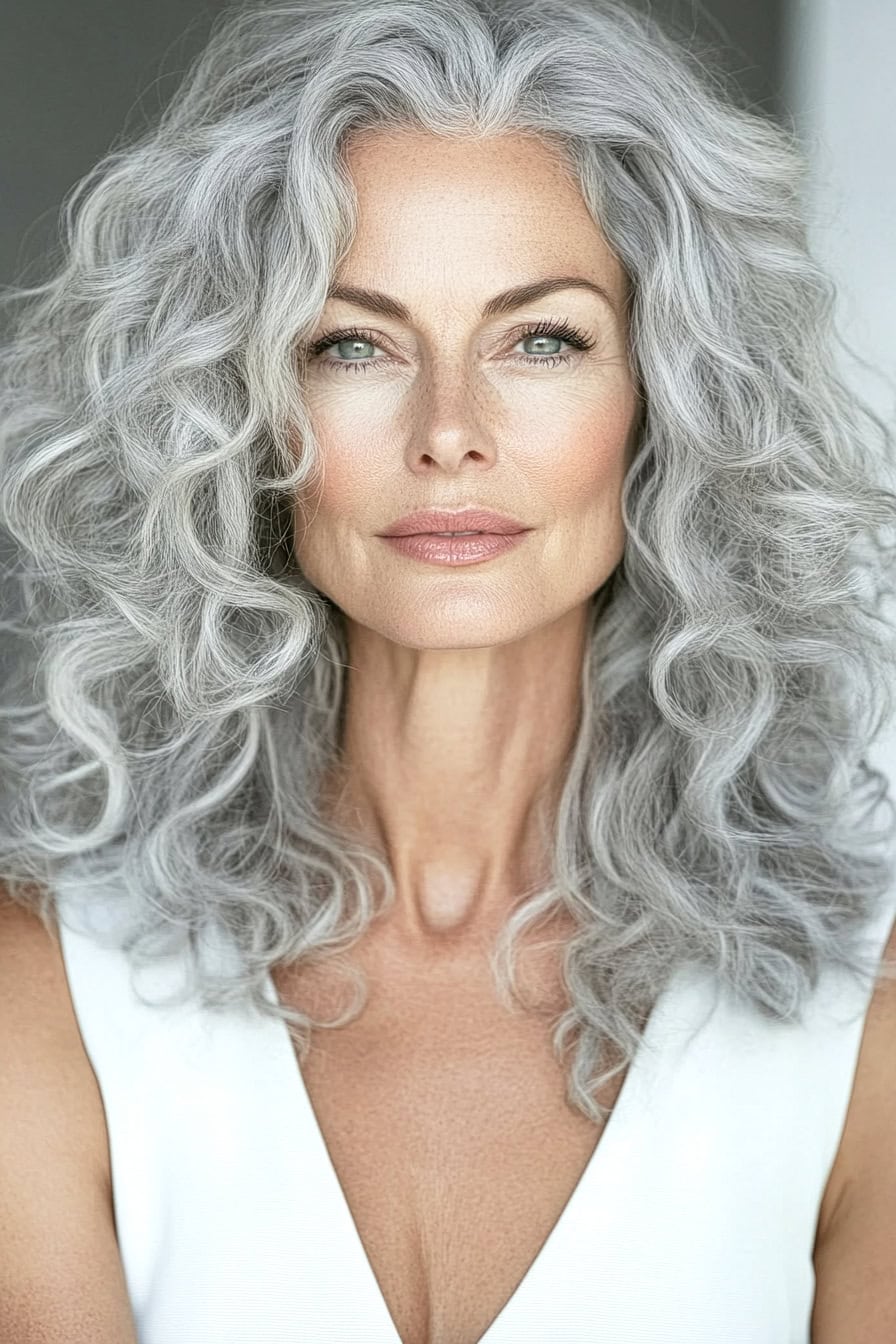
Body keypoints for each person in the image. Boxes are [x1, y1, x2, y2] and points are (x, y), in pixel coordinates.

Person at [2, 0, 896, 1340]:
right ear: (246, 412)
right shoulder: (46, 990)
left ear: (666, 399)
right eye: (351, 342)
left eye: (541, 338)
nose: (450, 433)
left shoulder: (864, 1022)